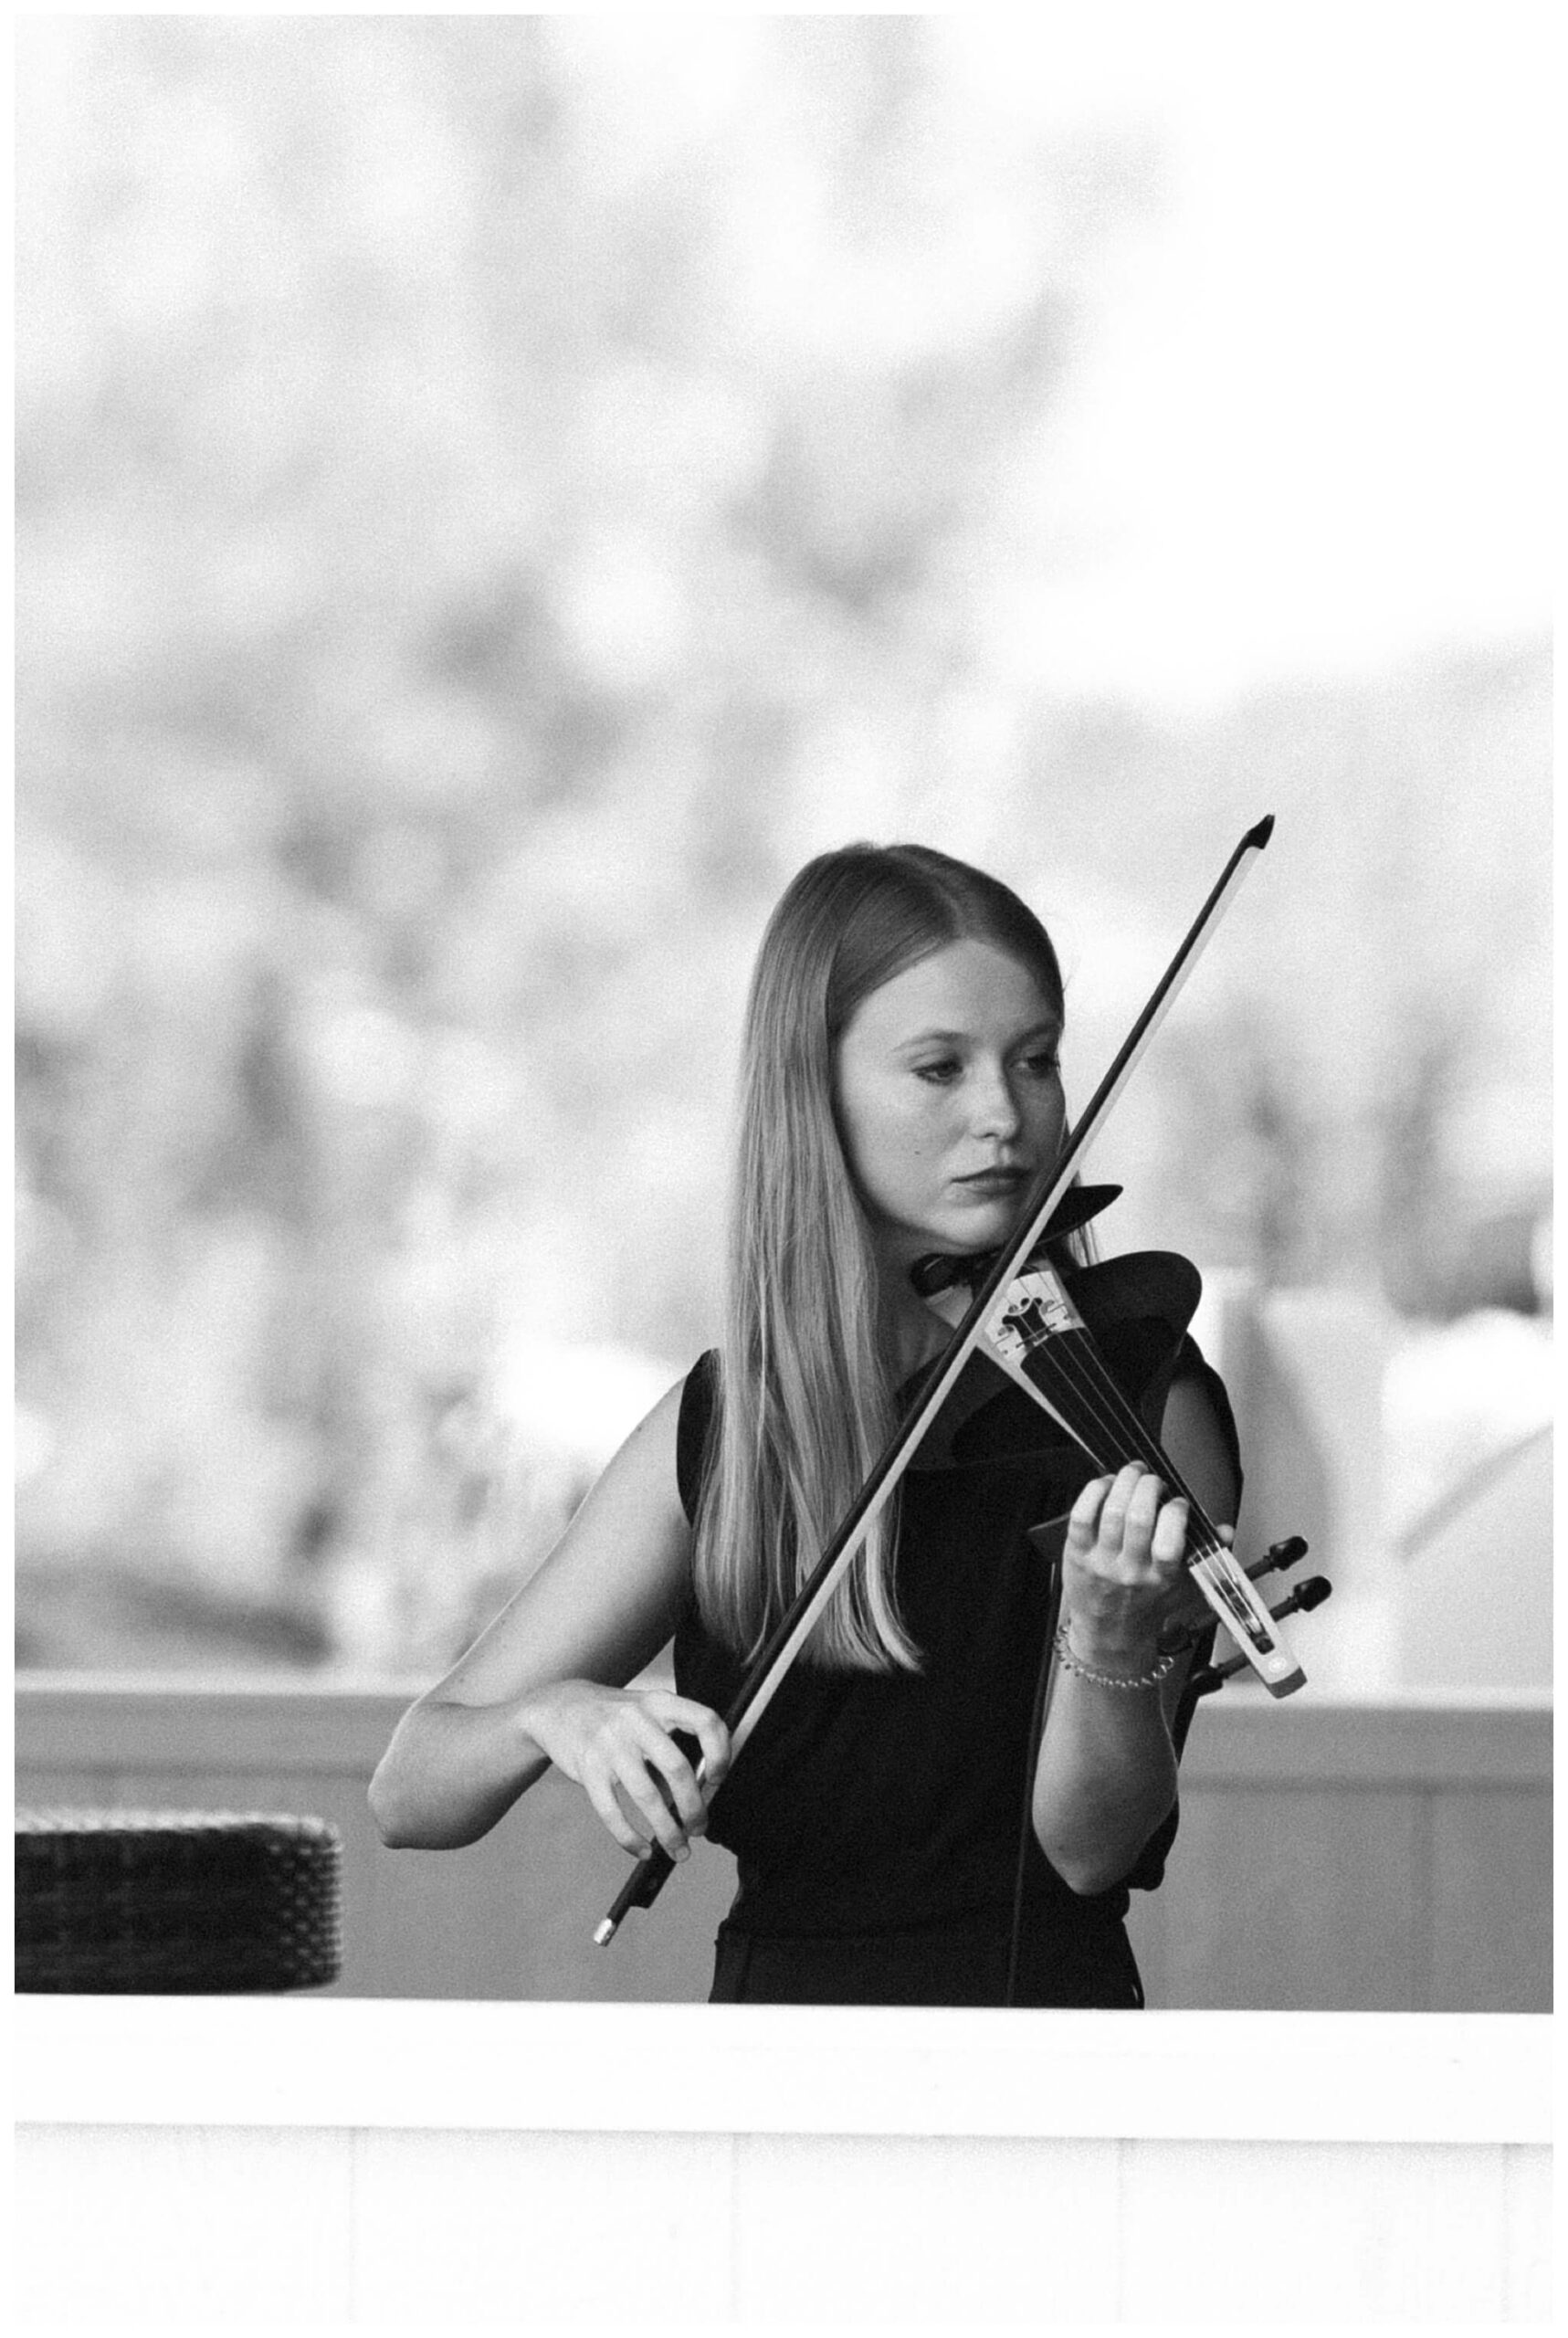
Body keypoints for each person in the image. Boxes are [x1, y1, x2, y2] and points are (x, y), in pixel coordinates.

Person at [370, 844, 1241, 2006]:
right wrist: (559, 1714)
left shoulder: (1134, 1403)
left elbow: (1092, 1848)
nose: (1006, 1114)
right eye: (938, 1068)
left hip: (1040, 2056)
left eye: (1035, 1061)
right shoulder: (728, 1430)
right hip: (769, 2063)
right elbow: (411, 1791)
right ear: (812, 1091)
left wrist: (1110, 1633)